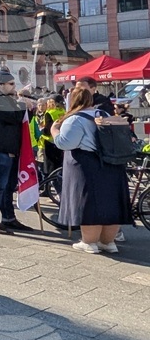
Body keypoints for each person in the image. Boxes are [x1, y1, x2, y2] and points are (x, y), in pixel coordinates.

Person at [51, 87, 132, 253]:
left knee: (88, 204)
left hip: (87, 165)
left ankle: (89, 242)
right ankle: (108, 242)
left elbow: (66, 143)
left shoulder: (74, 119)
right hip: (112, 164)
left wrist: (55, 131)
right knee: (111, 203)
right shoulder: (105, 115)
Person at [0, 70, 33, 235]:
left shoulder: (7, 99)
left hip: (10, 148)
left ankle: (8, 218)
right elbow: (14, 117)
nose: (13, 86)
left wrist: (27, 108)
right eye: (11, 84)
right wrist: (23, 104)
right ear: (0, 85)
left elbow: (22, 119)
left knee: (8, 186)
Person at [40, 95, 66, 176]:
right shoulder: (63, 112)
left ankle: (51, 183)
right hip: (61, 139)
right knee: (59, 164)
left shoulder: (49, 113)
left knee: (50, 166)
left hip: (49, 141)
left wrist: (41, 129)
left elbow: (48, 130)